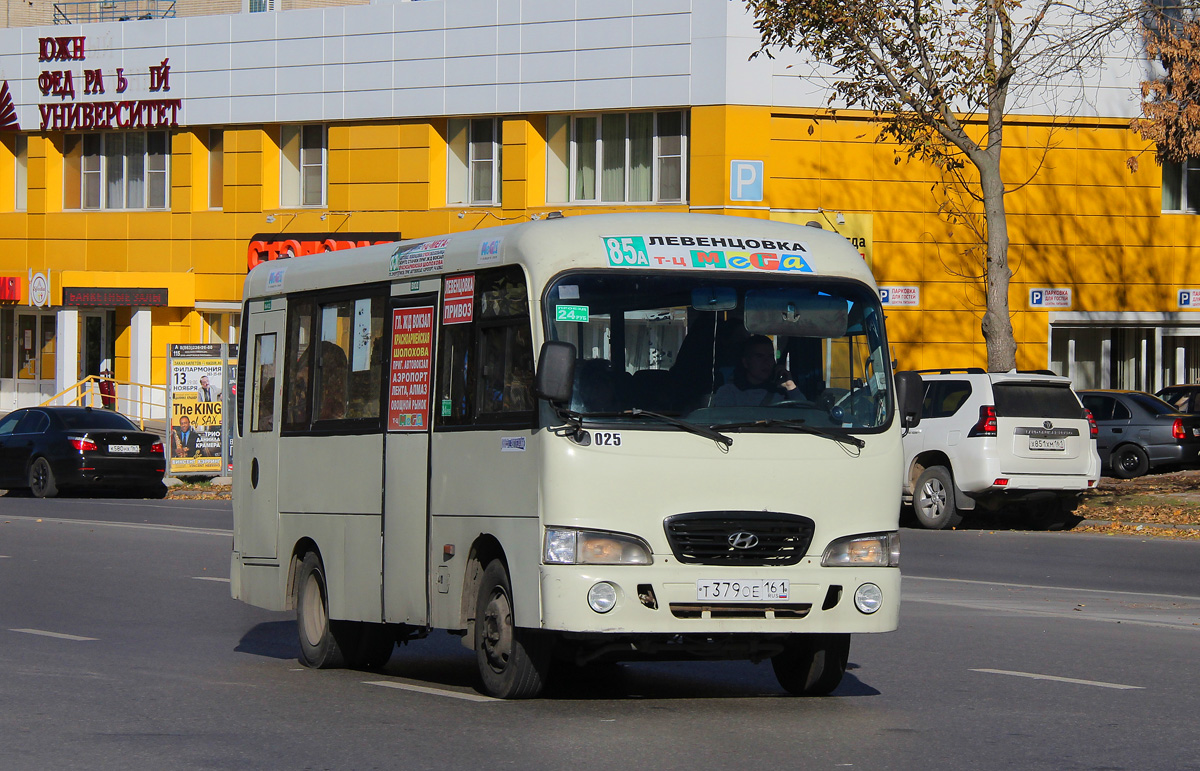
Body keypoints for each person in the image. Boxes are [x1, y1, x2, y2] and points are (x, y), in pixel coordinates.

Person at [712, 335, 802, 407]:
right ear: (746, 362)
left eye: (770, 356)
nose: (766, 362)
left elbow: (808, 417)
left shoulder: (783, 392)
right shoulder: (729, 392)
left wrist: (790, 386)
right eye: (759, 356)